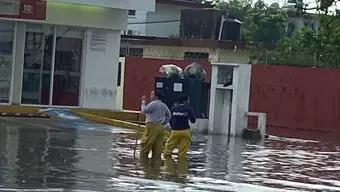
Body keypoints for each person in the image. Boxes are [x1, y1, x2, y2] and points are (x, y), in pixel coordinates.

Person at [140, 91, 171, 161]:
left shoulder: (153, 104)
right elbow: (169, 115)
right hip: (160, 127)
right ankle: (156, 167)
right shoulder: (163, 105)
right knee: (157, 149)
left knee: (145, 146)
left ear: (156, 97)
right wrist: (164, 122)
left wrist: (143, 102)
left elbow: (144, 111)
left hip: (152, 126)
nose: (150, 96)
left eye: (152, 94)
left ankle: (143, 164)